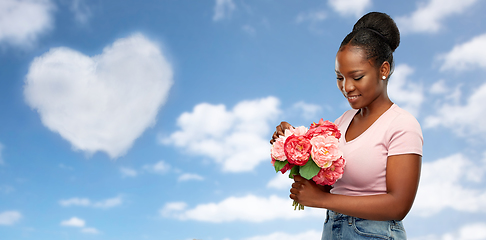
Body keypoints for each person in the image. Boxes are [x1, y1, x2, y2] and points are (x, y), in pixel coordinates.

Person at [270, 12, 423, 239]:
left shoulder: (402, 125)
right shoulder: (340, 123)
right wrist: (295, 149)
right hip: (333, 230)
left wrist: (322, 200)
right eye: (339, 77)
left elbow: (398, 205)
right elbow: (328, 186)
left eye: (357, 77)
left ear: (383, 70)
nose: (347, 87)